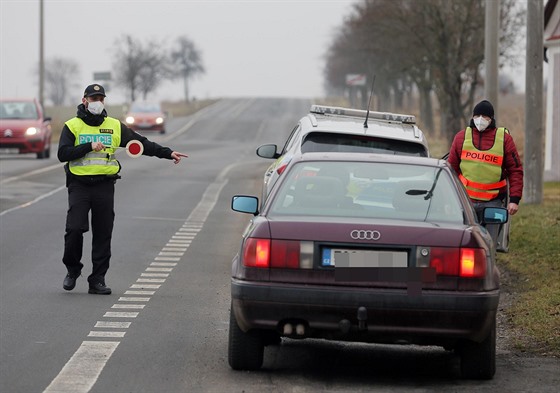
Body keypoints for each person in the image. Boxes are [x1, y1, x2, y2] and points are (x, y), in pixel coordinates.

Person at [57, 84, 188, 295]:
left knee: (103, 233)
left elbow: (141, 144)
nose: (97, 102)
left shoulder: (115, 126)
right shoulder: (72, 126)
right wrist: (89, 146)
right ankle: (73, 269)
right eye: (93, 98)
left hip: (104, 185)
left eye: (100, 98)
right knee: (74, 229)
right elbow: (63, 153)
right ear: (84, 101)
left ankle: (97, 280)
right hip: (79, 185)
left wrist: (168, 153)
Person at [447, 99, 523, 249]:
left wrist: (514, 199)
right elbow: (451, 169)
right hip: (465, 201)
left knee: (489, 246)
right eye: (477, 116)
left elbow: (515, 170)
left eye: (485, 117)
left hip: (493, 202)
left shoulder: (504, 140)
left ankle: (487, 270)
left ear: (492, 119)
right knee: (462, 243)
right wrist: (448, 197)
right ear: (473, 117)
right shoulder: (461, 137)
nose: (480, 120)